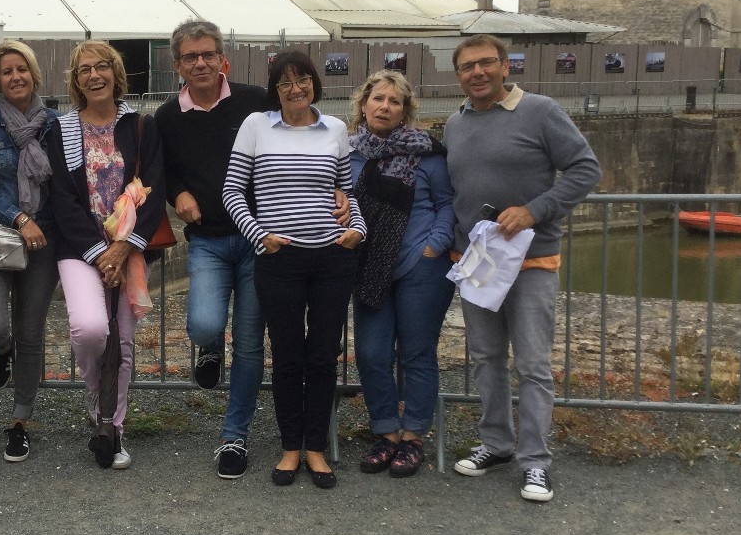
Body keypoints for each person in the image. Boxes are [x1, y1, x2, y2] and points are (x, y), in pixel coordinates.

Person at [444, 33, 601, 502]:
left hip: (531, 261)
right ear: (458, 74)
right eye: (468, 66)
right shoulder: (455, 123)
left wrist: (534, 210)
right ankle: (497, 443)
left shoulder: (540, 111)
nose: (477, 72)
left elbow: (585, 169)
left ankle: (536, 462)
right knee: (487, 359)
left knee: (532, 365)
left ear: (505, 66)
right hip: (478, 263)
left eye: (486, 63)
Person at [223, 51, 366, 489]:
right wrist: (258, 236)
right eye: (285, 83)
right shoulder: (256, 126)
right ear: (275, 90)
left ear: (314, 83)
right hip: (278, 258)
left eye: (303, 79)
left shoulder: (336, 129)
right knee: (286, 354)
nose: (295, 88)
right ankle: (290, 448)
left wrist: (357, 228)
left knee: (323, 355)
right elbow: (232, 191)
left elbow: (346, 191)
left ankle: (316, 449)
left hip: (332, 255)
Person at [153, 19, 267, 480]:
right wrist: (176, 193)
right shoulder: (165, 117)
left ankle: (233, 435)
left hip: (260, 239)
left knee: (250, 344)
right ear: (176, 64)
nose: (199, 63)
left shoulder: (257, 101)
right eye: (189, 56)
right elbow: (162, 169)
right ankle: (207, 350)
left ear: (223, 58)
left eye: (207, 54)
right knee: (203, 324)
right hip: (208, 241)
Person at [46, 41, 166, 470]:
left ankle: (111, 427)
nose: (94, 76)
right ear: (76, 82)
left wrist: (122, 248)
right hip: (80, 249)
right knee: (90, 329)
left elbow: (154, 190)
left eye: (102, 68)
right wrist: (100, 252)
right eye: (84, 71)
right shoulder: (61, 129)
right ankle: (97, 397)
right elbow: (61, 198)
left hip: (129, 249)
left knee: (125, 340)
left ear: (116, 73)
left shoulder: (140, 126)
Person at [347, 70, 455, 479]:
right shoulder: (350, 151)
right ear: (363, 104)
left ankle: (412, 438)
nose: (385, 107)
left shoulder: (427, 152)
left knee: (416, 354)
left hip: (420, 266)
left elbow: (447, 203)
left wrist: (436, 244)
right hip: (369, 265)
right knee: (372, 353)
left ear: (405, 111)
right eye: (378, 99)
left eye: (394, 102)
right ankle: (385, 432)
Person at [0, 40, 58, 463]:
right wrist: (20, 218)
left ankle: (20, 421)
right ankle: (1, 351)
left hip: (45, 244)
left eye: (21, 69)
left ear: (34, 73)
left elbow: (64, 186)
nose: (15, 77)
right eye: (6, 71)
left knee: (31, 332)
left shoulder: (56, 123)